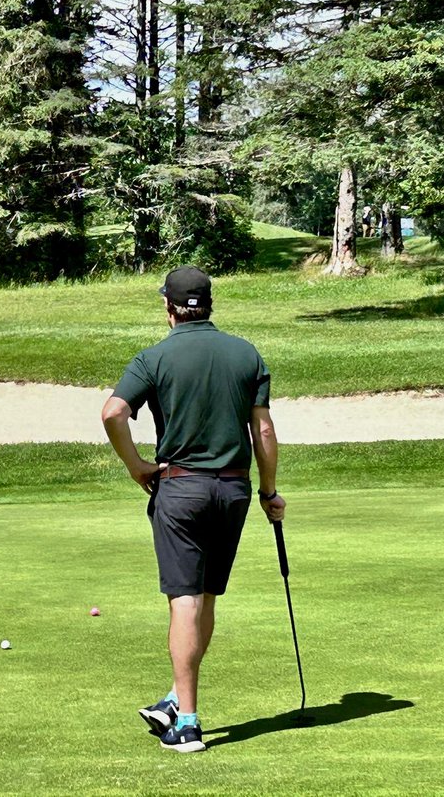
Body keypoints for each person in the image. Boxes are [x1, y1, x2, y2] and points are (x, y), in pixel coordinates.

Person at [100, 265, 284, 753]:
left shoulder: (154, 357)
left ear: (168, 307)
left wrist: (136, 465)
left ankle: (189, 724)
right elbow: (262, 430)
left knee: (184, 598)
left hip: (180, 489)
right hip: (234, 492)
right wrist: (269, 491)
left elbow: (113, 412)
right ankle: (174, 701)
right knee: (205, 598)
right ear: (209, 305)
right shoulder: (245, 354)